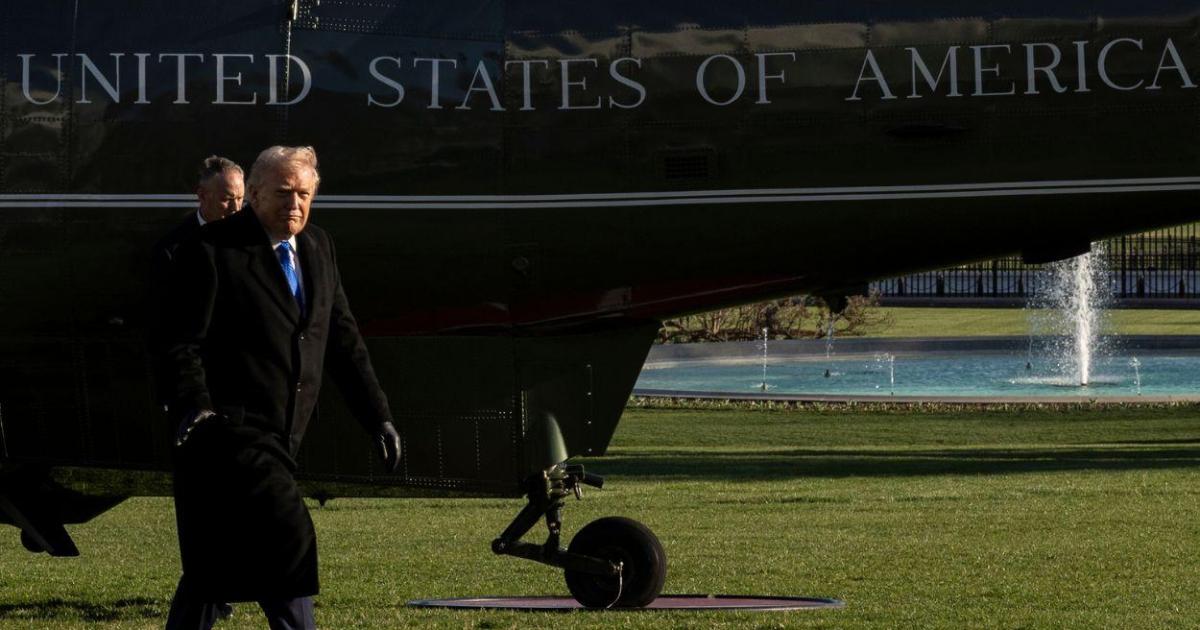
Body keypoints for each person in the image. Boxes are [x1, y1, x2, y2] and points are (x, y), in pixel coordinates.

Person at [158, 146, 402, 629]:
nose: (295, 204)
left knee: (210, 570)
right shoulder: (211, 250)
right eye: (284, 193)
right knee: (287, 537)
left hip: (285, 432)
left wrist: (378, 417)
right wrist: (196, 407)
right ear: (254, 194)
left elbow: (343, 340)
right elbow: (179, 342)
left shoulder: (318, 247)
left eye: (304, 194)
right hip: (230, 432)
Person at [151, 156, 245, 410]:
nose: (235, 209)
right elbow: (167, 331)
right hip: (199, 383)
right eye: (227, 199)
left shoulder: (252, 243)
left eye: (240, 199)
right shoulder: (172, 250)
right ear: (202, 195)